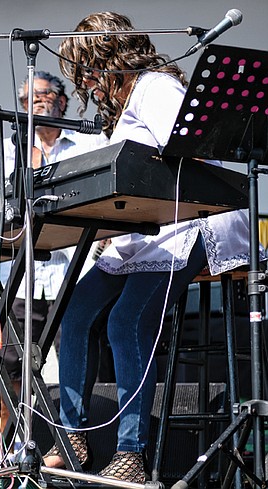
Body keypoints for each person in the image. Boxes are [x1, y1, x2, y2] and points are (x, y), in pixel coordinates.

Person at [42, 12, 253, 483]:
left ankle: (131, 453)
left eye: (91, 70)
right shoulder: (122, 109)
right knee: (73, 311)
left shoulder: (155, 87)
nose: (90, 84)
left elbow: (191, 152)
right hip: (147, 231)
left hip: (193, 221)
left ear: (109, 59)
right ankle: (72, 434)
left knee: (127, 319)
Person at [0, 71, 107, 435]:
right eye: (29, 99)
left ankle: (83, 441)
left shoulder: (90, 142)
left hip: (77, 273)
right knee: (6, 361)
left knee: (86, 360)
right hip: (26, 278)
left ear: (62, 101)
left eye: (44, 95)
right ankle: (12, 446)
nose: (37, 103)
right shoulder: (10, 150)